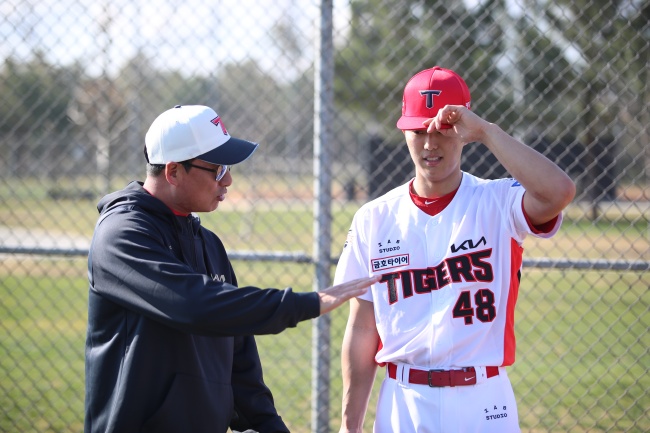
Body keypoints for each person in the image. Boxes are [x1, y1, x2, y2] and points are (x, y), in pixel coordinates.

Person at [84, 104, 378, 433]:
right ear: (173, 172)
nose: (229, 180)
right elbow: (195, 304)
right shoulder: (121, 235)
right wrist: (303, 302)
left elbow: (240, 366)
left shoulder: (208, 245)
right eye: (218, 168)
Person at [334, 67, 576, 432]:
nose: (430, 143)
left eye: (443, 130)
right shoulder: (374, 217)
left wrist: (488, 132)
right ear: (404, 132)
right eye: (418, 131)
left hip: (482, 397)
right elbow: (363, 327)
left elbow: (559, 192)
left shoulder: (498, 201)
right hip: (403, 399)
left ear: (464, 131)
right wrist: (349, 426)